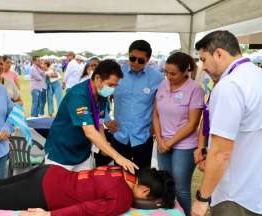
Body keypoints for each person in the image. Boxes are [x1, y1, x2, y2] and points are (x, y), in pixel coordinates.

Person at [191, 30, 262, 216]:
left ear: (219, 54)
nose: (202, 67)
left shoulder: (230, 86)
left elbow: (221, 153)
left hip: (235, 195)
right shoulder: (257, 75)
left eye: (204, 59)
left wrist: (202, 198)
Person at [0, 165, 176, 216]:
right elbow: (85, 210)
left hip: (49, 172)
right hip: (44, 191)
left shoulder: (120, 170)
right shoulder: (122, 197)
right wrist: (49, 215)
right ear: (144, 190)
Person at [44, 59, 138, 173]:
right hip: (61, 154)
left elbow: (99, 123)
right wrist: (117, 157)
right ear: (98, 78)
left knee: (85, 189)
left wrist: (104, 144)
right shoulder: (78, 95)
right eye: (111, 85)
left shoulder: (102, 95)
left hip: (83, 154)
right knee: (59, 190)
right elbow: (90, 132)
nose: (113, 89)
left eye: (115, 86)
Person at [153, 52, 204, 216]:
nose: (169, 76)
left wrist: (169, 143)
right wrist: (160, 139)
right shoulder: (163, 84)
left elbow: (193, 123)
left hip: (184, 145)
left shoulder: (194, 89)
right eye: (166, 72)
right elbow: (155, 114)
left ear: (185, 72)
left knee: (181, 189)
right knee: (166, 185)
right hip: (162, 143)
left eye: (173, 73)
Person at [104, 40, 164, 169]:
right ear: (128, 55)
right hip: (120, 136)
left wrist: (153, 129)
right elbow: (102, 97)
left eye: (140, 60)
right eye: (132, 58)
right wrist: (107, 120)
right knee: (119, 178)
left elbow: (161, 106)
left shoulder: (157, 78)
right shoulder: (116, 74)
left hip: (143, 136)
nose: (136, 62)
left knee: (142, 179)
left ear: (148, 60)